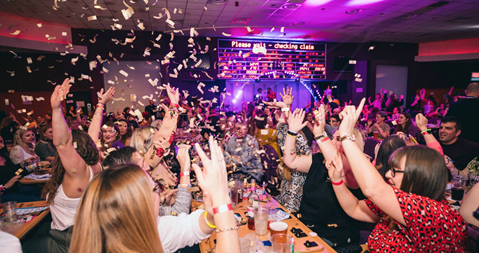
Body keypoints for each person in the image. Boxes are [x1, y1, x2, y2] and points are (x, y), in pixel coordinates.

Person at [326, 99, 468, 252]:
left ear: (418, 176)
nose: (387, 174)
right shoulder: (398, 202)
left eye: (394, 171)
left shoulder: (436, 214)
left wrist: (346, 135)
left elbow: (373, 189)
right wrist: (336, 180)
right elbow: (354, 208)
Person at [70, 137, 240, 253]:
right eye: (153, 190)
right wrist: (222, 204)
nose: (158, 194)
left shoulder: (147, 228)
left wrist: (211, 216)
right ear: (135, 204)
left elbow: (188, 227)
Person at [22, 79, 102, 253]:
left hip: (70, 241)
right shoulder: (95, 166)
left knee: (17, 246)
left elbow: (64, 144)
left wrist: (57, 109)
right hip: (84, 230)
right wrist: (101, 105)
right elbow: (93, 135)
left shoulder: (79, 173)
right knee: (37, 230)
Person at [282, 106, 365, 245]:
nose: (332, 141)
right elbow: (291, 161)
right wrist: (292, 132)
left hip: (335, 238)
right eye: (333, 137)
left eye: (338, 139)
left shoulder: (357, 169)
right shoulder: (319, 160)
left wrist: (320, 134)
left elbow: (342, 170)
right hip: (305, 228)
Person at [103, 146, 191, 216]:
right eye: (142, 165)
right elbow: (180, 213)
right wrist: (185, 170)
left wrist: (163, 203)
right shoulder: (134, 209)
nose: (148, 167)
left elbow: (170, 214)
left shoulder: (130, 198)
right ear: (129, 176)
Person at [1, 136, 49, 202]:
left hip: (16, 189)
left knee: (47, 193)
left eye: (0, 136)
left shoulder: (3, 156)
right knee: (39, 199)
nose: (1, 138)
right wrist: (4, 186)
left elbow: (16, 172)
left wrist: (23, 163)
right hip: (4, 195)